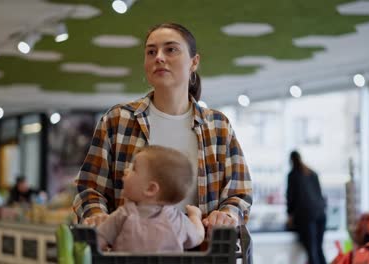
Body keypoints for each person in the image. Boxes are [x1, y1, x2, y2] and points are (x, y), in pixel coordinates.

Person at [73, 23, 252, 233]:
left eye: (171, 49)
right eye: (151, 51)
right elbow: (90, 187)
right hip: (130, 251)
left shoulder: (218, 126)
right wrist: (96, 215)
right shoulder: (117, 120)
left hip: (202, 252)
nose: (158, 57)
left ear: (194, 62)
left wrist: (227, 214)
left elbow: (239, 192)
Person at [97, 145, 204, 252]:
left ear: (150, 188)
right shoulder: (178, 221)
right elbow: (199, 236)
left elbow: (96, 242)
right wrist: (195, 215)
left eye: (133, 169)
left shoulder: (123, 215)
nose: (126, 171)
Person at [286, 150, 326, 264]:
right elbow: (320, 194)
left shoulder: (293, 175)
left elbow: (291, 198)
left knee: (312, 251)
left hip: (307, 216)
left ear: (291, 161)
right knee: (318, 249)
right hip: (321, 214)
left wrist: (290, 215)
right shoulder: (312, 173)